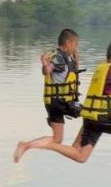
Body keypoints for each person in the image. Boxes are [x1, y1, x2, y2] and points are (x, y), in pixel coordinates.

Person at [29, 40, 111, 183]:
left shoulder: (103, 68)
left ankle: (51, 145)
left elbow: (110, 96)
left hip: (91, 118)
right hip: (106, 119)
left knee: (80, 156)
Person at [14, 29, 82, 163]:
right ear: (68, 43)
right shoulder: (58, 57)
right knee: (93, 114)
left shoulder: (64, 57)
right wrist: (45, 65)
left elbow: (69, 73)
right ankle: (78, 147)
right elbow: (47, 71)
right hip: (61, 101)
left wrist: (76, 60)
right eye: (75, 44)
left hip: (53, 101)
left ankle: (25, 145)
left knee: (57, 139)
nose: (76, 48)